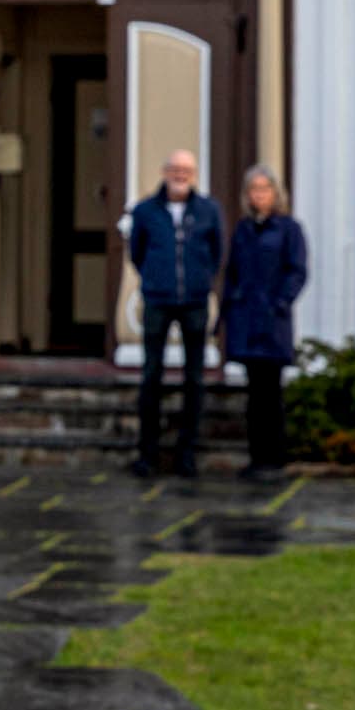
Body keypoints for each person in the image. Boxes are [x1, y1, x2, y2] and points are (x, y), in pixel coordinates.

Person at [126, 148, 223, 478]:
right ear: (164, 172)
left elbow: (216, 253)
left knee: (194, 378)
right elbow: (136, 253)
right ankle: (148, 453)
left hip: (195, 301)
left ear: (194, 174)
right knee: (151, 374)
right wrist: (156, 279)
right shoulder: (145, 211)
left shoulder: (209, 211)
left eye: (186, 170)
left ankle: (187, 453)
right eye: (175, 169)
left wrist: (201, 280)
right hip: (157, 300)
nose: (180, 175)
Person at [222, 164, 309, 481]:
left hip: (272, 321)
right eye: (253, 190)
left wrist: (280, 302)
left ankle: (274, 458)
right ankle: (256, 457)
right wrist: (230, 305)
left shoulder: (288, 229)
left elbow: (297, 270)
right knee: (254, 392)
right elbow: (232, 271)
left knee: (271, 392)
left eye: (264, 189)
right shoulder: (244, 229)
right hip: (246, 319)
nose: (259, 195)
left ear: (275, 193)